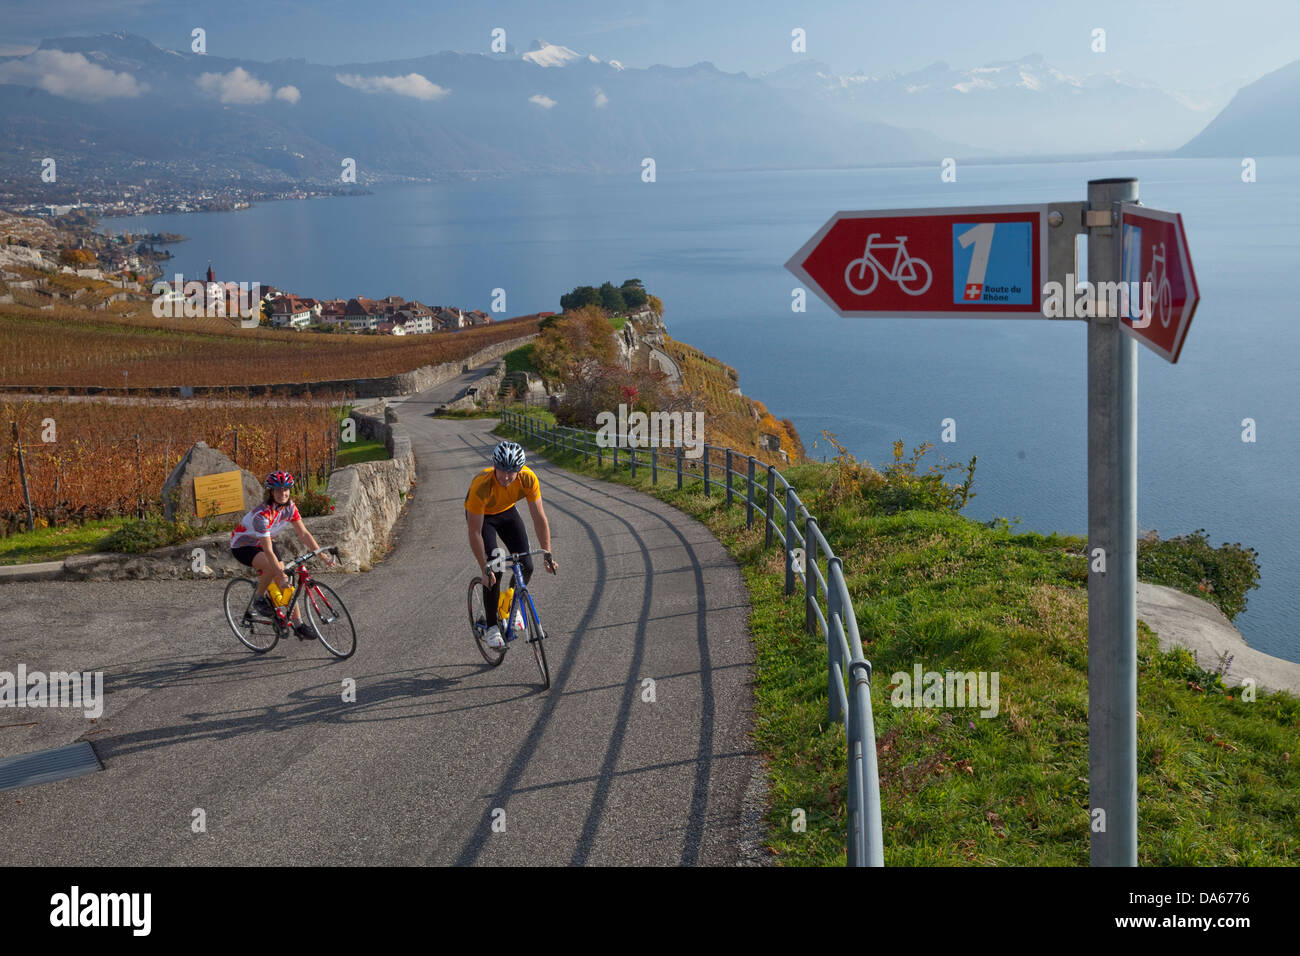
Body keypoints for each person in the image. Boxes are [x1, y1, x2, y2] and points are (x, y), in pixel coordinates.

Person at [465, 440, 558, 649]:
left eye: (512, 472)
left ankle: (512, 605)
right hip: (483, 519)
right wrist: (484, 566)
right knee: (494, 570)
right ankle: (491, 627)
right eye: (502, 471)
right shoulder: (481, 485)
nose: (507, 477)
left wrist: (547, 553)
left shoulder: (527, 478)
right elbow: (474, 532)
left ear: (520, 469)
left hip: (507, 513)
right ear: (495, 466)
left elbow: (539, 517)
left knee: (527, 566)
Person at [230, 470, 335, 640]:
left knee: (283, 577)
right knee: (275, 569)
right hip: (244, 545)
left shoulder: (289, 507)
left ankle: (298, 624)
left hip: (266, 541)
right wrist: (280, 574)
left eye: (286, 489)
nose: (283, 493)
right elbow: (268, 551)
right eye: (278, 490)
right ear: (271, 492)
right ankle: (259, 598)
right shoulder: (262, 516)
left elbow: (304, 534)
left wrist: (321, 555)